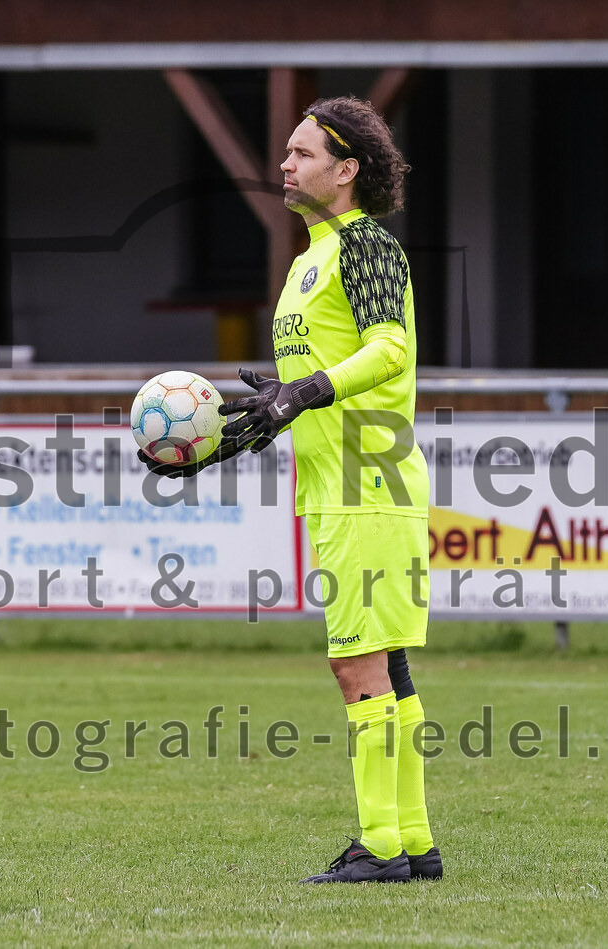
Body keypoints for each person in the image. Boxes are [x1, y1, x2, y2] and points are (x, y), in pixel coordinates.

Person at [139, 95, 440, 884]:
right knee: (386, 667)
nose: (285, 164)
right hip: (342, 487)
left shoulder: (366, 244)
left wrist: (302, 392)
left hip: (366, 488)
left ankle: (380, 847)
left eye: (302, 153)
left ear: (346, 171)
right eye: (287, 151)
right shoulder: (311, 258)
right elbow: (307, 391)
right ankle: (411, 840)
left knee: (358, 668)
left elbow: (389, 349)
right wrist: (224, 439)